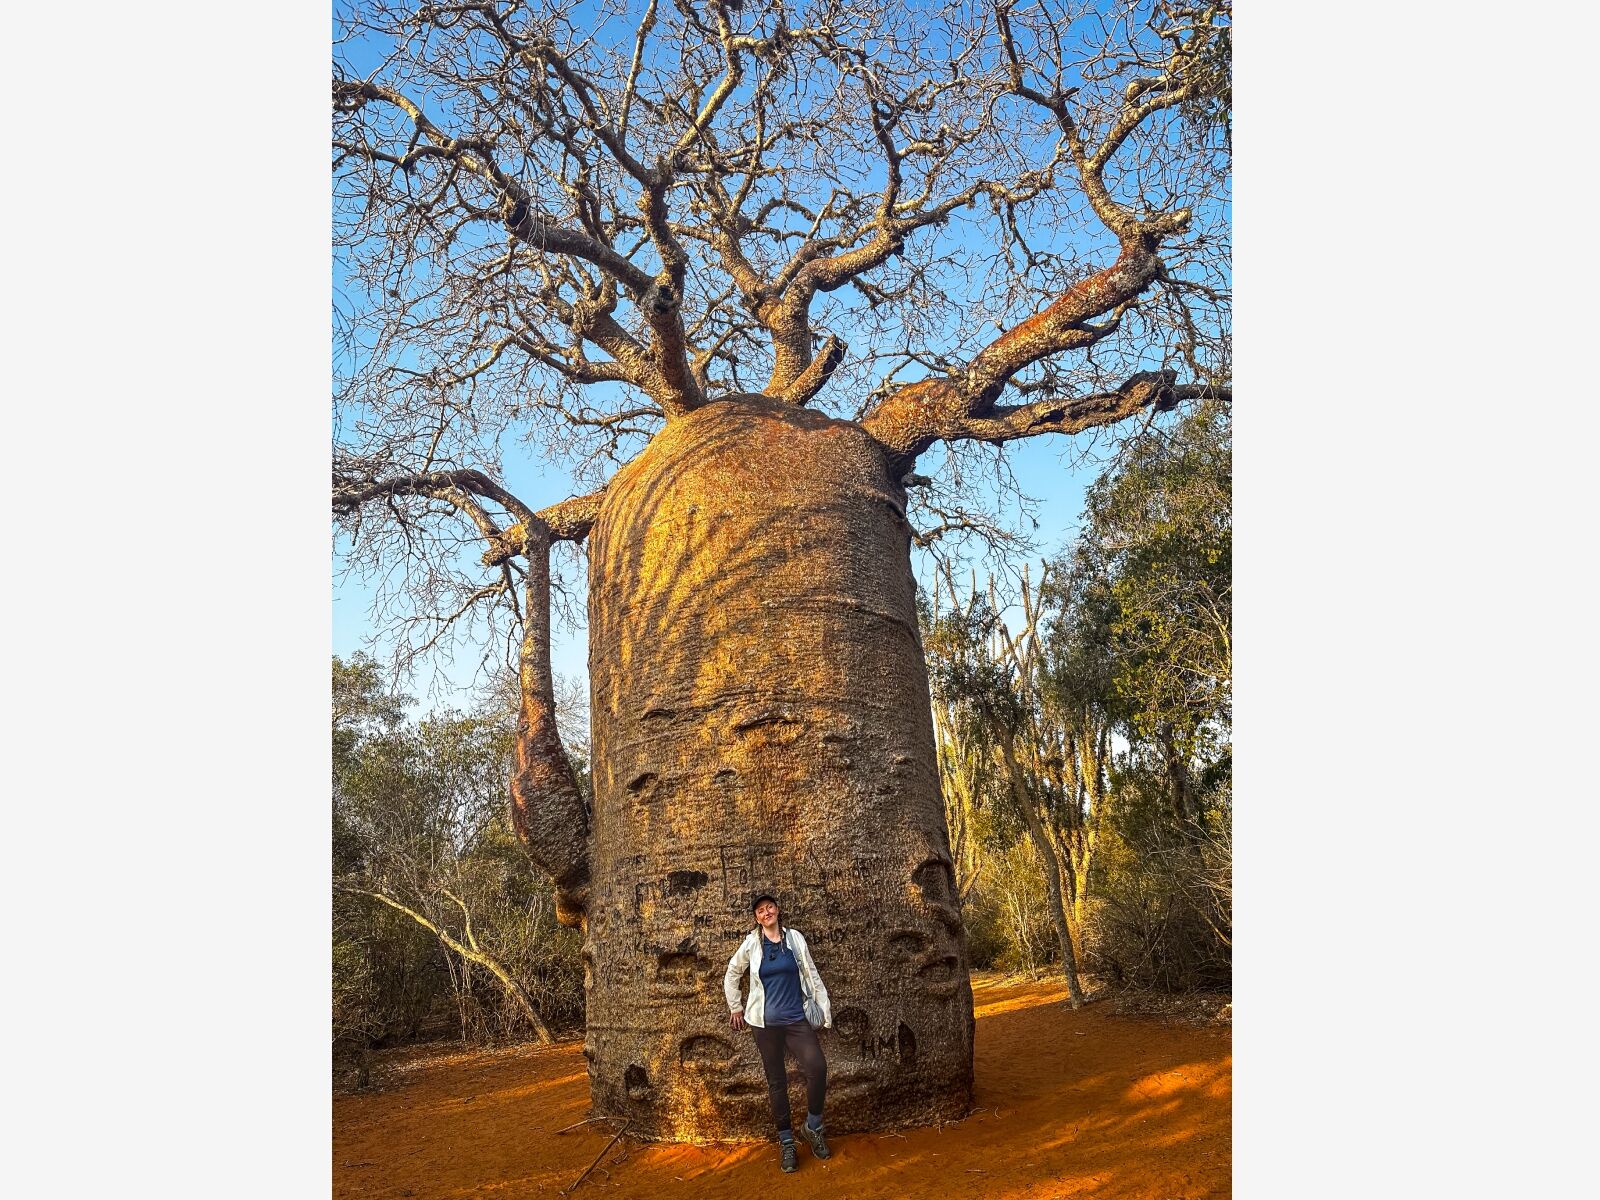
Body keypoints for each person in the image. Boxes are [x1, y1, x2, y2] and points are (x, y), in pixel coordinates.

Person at [723, 893, 834, 1173]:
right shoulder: (751, 944)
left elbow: (810, 972)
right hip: (764, 1025)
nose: (766, 912)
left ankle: (813, 1126)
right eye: (760, 910)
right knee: (777, 1082)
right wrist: (735, 1007)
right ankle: (786, 1142)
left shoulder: (794, 939)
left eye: (769, 907)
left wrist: (823, 1007)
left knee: (817, 1068)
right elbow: (732, 972)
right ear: (756, 918)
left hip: (797, 1020)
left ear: (777, 910)